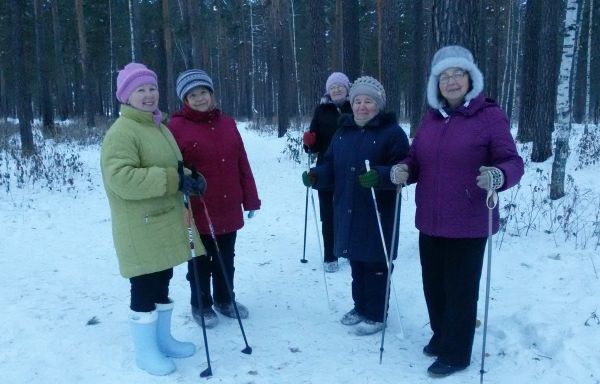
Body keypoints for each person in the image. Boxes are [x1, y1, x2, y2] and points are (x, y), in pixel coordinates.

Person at [390, 45, 524, 377]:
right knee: (433, 285)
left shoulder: (489, 116)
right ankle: (442, 336)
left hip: (468, 221)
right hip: (430, 220)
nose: (451, 81)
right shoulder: (431, 119)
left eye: (457, 74)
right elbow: (417, 159)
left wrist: (498, 175)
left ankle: (457, 352)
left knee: (460, 290)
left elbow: (512, 161)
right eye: (444, 76)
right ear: (436, 84)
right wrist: (404, 169)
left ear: (470, 79)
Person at [101, 62, 207, 376]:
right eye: (140, 90)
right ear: (125, 96)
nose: (149, 95)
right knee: (144, 287)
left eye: (152, 88)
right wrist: (173, 180)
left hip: (161, 222)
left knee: (163, 280)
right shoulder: (122, 133)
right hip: (140, 226)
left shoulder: (158, 126)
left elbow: (172, 167)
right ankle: (146, 352)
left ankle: (163, 340)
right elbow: (120, 178)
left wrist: (192, 177)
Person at [302, 76, 409, 336]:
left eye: (369, 101)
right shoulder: (343, 132)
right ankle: (360, 306)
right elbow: (330, 164)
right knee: (357, 262)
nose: (362, 106)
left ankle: (376, 313)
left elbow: (403, 169)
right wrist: (318, 174)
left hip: (378, 211)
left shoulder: (392, 133)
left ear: (379, 104)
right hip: (347, 206)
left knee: (376, 264)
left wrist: (382, 176)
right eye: (358, 101)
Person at [169, 69, 261, 329]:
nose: (200, 99)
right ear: (184, 99)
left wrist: (250, 199)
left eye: (203, 92)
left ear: (212, 94)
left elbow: (241, 161)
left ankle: (224, 299)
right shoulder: (175, 127)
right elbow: (171, 166)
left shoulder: (228, 123)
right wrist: (183, 180)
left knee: (226, 257)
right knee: (199, 260)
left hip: (228, 203)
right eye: (193, 95)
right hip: (197, 207)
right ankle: (201, 305)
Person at [302, 72, 353, 273]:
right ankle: (330, 254)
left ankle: (348, 248)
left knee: (350, 210)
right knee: (328, 213)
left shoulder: (356, 105)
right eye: (333, 88)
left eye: (340, 87)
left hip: (351, 166)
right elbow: (313, 144)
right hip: (327, 167)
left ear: (347, 88)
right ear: (328, 91)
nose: (337, 90)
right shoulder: (321, 110)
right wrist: (309, 142)